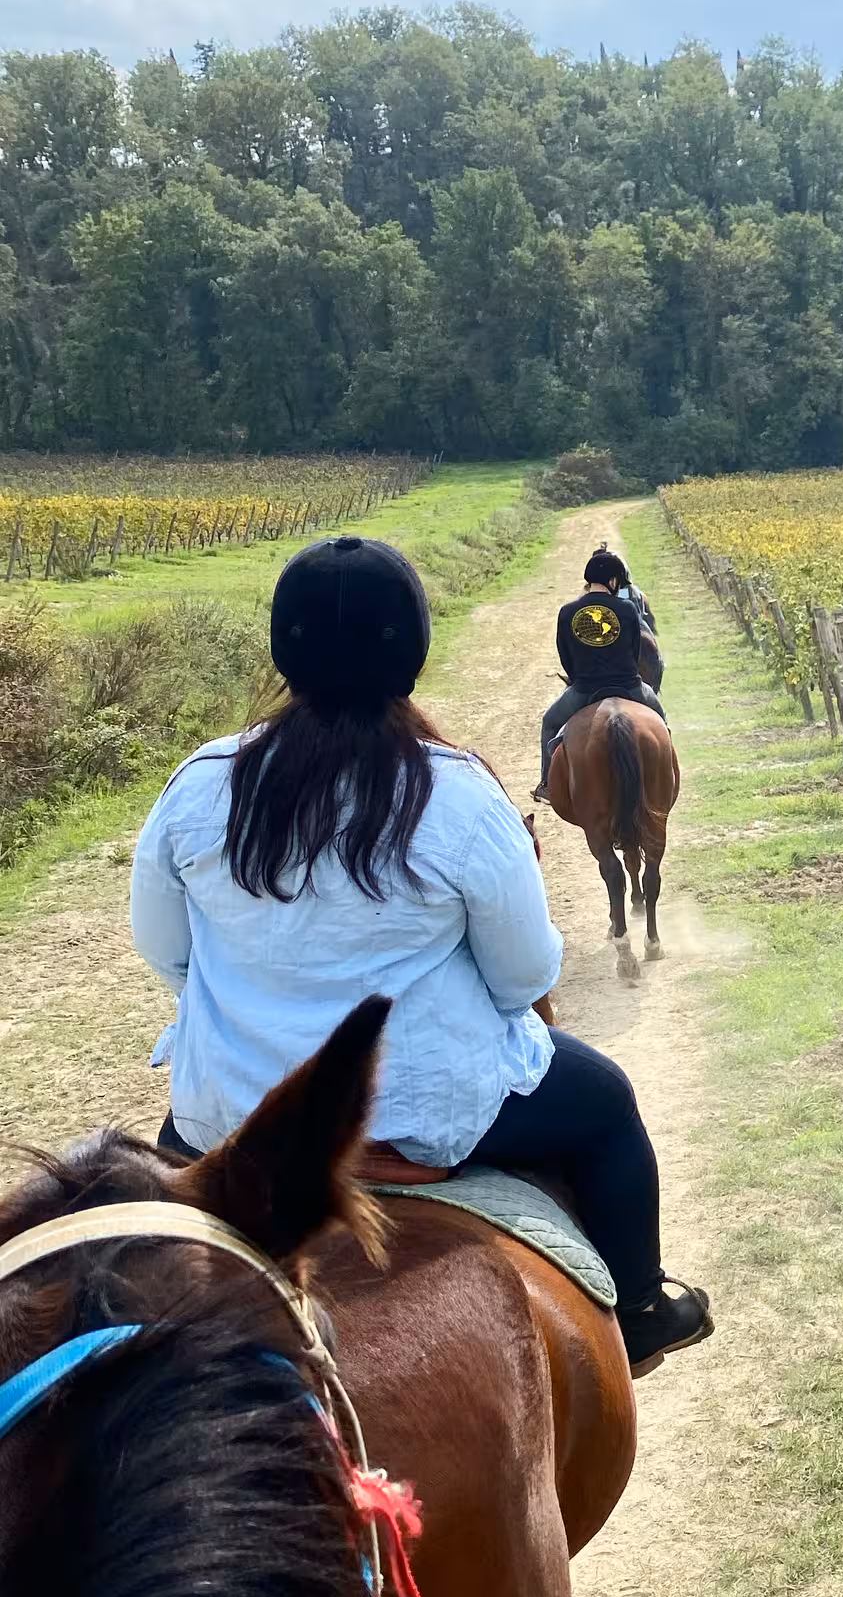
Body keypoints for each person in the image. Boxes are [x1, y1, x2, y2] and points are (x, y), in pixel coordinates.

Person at [129, 534, 711, 1376]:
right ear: (412, 650)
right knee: (608, 1107)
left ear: (282, 647)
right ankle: (646, 1308)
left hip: (233, 1114)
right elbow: (524, 978)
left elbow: (169, 955)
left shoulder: (201, 782)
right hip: (428, 1110)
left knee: (158, 1214)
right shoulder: (456, 791)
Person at [533, 547, 665, 805]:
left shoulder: (567, 612)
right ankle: (667, 768)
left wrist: (580, 678)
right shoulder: (627, 609)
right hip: (629, 686)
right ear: (613, 581)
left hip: (584, 690)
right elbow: (635, 650)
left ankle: (547, 784)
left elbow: (565, 656)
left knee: (550, 723)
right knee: (660, 720)